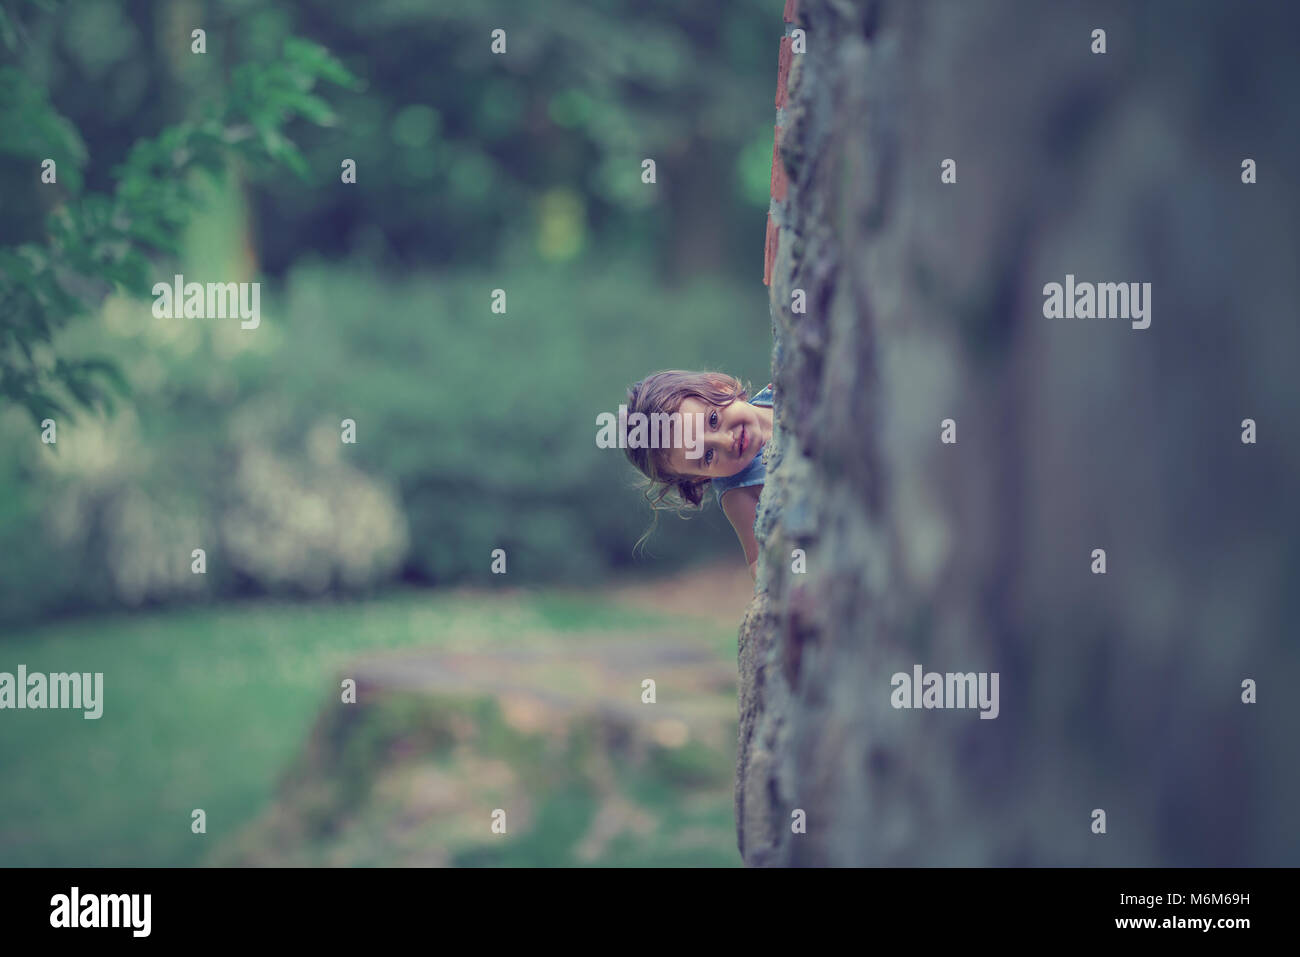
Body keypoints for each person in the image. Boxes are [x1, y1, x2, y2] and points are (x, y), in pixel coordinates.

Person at [622, 370, 774, 581]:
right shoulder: (739, 492)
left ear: (719, 388)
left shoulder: (783, 390)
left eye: (713, 420)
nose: (726, 441)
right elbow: (761, 563)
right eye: (708, 455)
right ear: (701, 477)